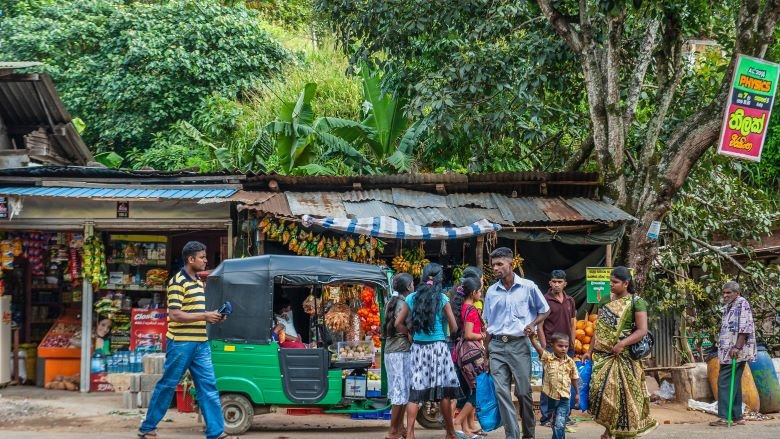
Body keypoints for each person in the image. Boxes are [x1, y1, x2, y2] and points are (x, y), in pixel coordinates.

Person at [139, 241, 236, 439]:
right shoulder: (177, 282)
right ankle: (147, 427)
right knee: (168, 385)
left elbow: (196, 312)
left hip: (200, 343)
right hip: (181, 344)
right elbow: (175, 315)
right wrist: (205, 316)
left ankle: (216, 432)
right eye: (202, 257)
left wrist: (215, 316)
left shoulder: (198, 282)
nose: (206, 260)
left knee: (208, 386)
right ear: (191, 259)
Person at [483, 247, 550, 439]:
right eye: (493, 265)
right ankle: (512, 435)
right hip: (496, 346)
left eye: (499, 264)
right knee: (501, 392)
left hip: (519, 345)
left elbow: (544, 310)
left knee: (523, 393)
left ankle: (528, 434)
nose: (495, 268)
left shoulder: (528, 287)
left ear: (511, 264)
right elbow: (489, 325)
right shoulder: (491, 291)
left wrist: (532, 324)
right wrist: (486, 354)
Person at [583, 266, 657, 439]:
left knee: (623, 397)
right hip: (603, 356)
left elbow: (642, 330)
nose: (611, 285)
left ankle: (618, 432)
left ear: (626, 283)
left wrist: (622, 343)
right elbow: (599, 329)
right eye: (610, 281)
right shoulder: (605, 300)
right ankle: (609, 429)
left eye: (615, 282)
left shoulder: (636, 302)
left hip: (624, 357)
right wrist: (589, 350)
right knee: (601, 394)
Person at [396, 263, 463, 439]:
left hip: (418, 349)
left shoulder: (412, 298)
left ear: (423, 277)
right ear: (441, 279)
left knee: (415, 392)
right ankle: (450, 433)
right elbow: (454, 326)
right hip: (439, 349)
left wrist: (410, 334)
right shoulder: (442, 298)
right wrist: (444, 329)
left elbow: (398, 324)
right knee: (444, 393)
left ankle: (410, 433)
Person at [709, 280, 756, 427]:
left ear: (737, 293)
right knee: (733, 382)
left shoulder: (742, 303)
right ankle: (737, 416)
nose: (725, 295)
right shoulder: (729, 306)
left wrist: (737, 347)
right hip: (729, 350)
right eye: (724, 292)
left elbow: (745, 327)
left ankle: (724, 417)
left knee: (724, 382)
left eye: (729, 292)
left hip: (735, 351)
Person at [538, 270, 577, 428]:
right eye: (554, 281)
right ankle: (546, 417)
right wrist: (543, 346)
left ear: (565, 283)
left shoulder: (570, 300)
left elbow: (574, 322)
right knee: (549, 380)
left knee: (566, 380)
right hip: (550, 346)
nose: (556, 284)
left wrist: (572, 344)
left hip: (567, 347)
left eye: (559, 282)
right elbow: (539, 326)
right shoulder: (544, 300)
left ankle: (564, 415)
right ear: (550, 283)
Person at [451, 276, 488, 439]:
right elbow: (468, 334)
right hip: (471, 354)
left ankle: (465, 429)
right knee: (478, 390)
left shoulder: (461, 307)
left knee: (466, 390)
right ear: (473, 293)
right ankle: (457, 421)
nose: (481, 293)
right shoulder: (471, 309)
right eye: (480, 291)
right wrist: (483, 334)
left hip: (460, 354)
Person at [383, 272, 415, 439]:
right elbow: (401, 326)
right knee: (399, 392)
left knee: (401, 391)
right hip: (400, 351)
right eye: (413, 284)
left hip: (391, 350)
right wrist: (409, 334)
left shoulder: (391, 301)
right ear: (409, 287)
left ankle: (400, 427)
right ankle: (392, 431)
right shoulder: (404, 303)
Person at [529, 332, 579, 439]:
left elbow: (574, 378)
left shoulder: (570, 362)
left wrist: (577, 394)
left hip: (564, 398)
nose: (563, 349)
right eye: (560, 346)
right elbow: (539, 350)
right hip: (551, 398)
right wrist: (532, 339)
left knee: (560, 423)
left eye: (566, 346)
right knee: (555, 422)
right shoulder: (548, 358)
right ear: (552, 345)